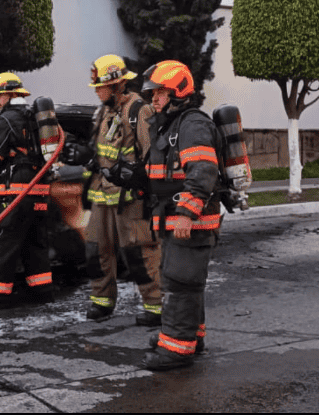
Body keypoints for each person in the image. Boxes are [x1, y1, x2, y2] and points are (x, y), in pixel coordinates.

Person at [141, 60, 221, 370]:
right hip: (173, 218)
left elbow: (202, 170)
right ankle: (188, 336)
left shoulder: (192, 125)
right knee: (186, 281)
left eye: (159, 93)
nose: (154, 99)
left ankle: (177, 348)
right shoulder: (170, 125)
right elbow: (161, 174)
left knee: (180, 282)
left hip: (190, 220)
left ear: (177, 91)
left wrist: (187, 213)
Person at [81, 54, 162, 325]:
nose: (96, 91)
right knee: (95, 250)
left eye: (100, 86)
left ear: (116, 85)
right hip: (103, 195)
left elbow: (153, 155)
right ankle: (102, 302)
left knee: (139, 253)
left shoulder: (140, 110)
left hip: (131, 198)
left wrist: (139, 178)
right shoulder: (105, 111)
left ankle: (155, 306)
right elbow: (101, 150)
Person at [0, 72, 55, 309]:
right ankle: (43, 291)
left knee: (3, 243)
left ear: (8, 94)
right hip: (39, 192)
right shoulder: (34, 117)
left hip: (14, 193)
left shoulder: (8, 119)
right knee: (35, 243)